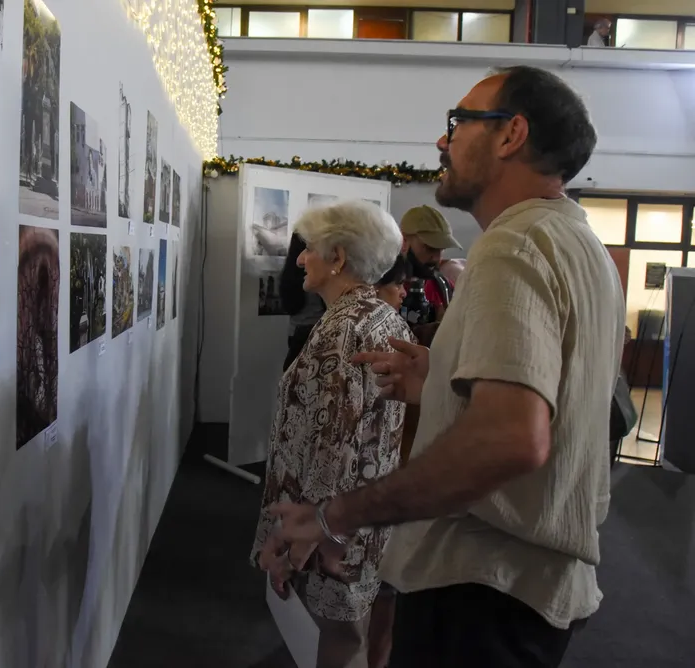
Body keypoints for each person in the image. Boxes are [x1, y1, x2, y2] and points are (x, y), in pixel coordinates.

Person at [270, 65, 624, 667]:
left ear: (511, 134)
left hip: (483, 589)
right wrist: (440, 384)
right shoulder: (579, 243)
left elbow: (511, 439)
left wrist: (336, 517)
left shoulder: (513, 245)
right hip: (528, 591)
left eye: (458, 122)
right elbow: (555, 405)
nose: (443, 140)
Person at [252, 200, 415, 668]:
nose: (301, 259)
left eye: (309, 250)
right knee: (352, 638)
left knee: (341, 643)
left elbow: (333, 445)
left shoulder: (340, 331)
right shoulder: (383, 317)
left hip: (335, 528)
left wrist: (304, 538)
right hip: (364, 515)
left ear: (338, 258)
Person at [399, 206, 461, 321]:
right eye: (430, 248)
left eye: (441, 249)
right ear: (404, 241)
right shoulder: (381, 287)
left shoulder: (444, 288)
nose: (437, 258)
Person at [279, 232, 326, 370]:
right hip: (316, 332)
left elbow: (289, 306)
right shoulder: (315, 274)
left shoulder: (289, 273)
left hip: (295, 333)